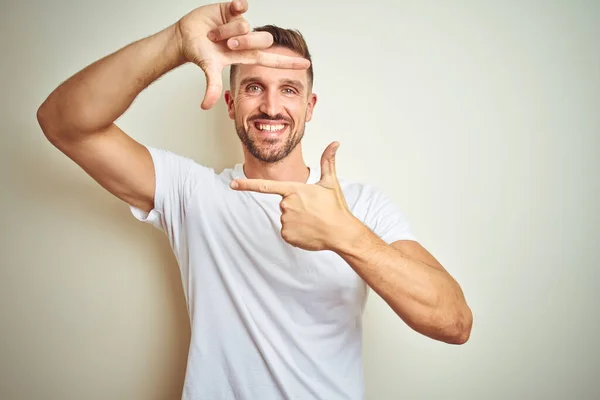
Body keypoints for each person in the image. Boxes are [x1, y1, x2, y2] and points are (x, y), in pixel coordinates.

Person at [37, 0, 473, 398]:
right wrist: (174, 43)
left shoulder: (360, 207)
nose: (270, 106)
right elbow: (64, 122)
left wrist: (346, 235)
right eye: (253, 88)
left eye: (288, 89)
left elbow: (455, 322)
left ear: (309, 105)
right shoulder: (192, 193)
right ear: (230, 102)